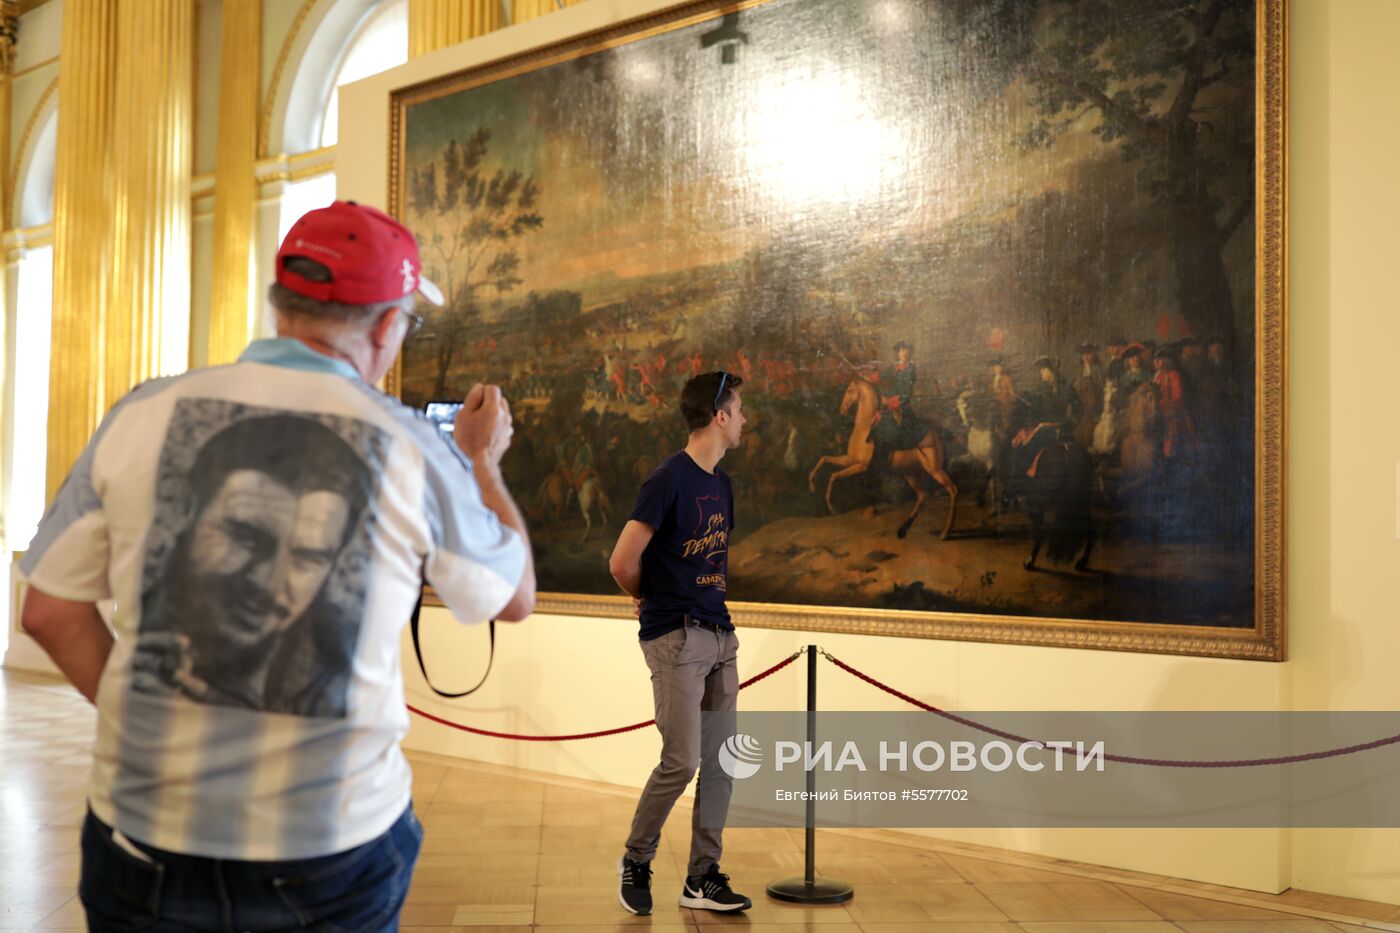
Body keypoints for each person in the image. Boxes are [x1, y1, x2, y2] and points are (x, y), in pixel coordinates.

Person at [19, 200, 536, 931]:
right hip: (331, 851)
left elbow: (48, 609)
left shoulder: (143, 412)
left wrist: (151, 719)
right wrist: (481, 461)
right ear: (388, 325)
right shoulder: (414, 444)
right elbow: (512, 596)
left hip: (141, 840)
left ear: (281, 301)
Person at [608, 370, 752, 917]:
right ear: (719, 415)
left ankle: (702, 877)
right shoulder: (668, 479)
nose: (743, 420)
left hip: (720, 636)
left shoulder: (722, 485)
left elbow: (710, 563)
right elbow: (622, 562)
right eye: (738, 410)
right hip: (677, 637)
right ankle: (637, 859)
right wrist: (652, 600)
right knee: (681, 760)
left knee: (721, 762)